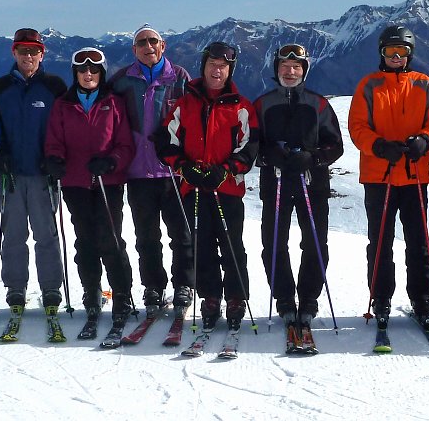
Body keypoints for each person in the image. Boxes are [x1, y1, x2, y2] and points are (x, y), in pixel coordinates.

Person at [153, 41, 259, 332]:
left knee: (231, 245)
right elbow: (165, 141)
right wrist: (184, 167)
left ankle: (236, 297)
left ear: (230, 70)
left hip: (226, 189)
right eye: (212, 64)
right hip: (193, 187)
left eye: (223, 66)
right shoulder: (186, 104)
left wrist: (225, 171)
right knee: (201, 245)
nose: (217, 70)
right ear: (204, 66)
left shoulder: (240, 106)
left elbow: (249, 147)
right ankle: (211, 297)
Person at [348, 25, 429, 327]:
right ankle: (381, 297)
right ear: (382, 53)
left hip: (414, 174)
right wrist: (378, 145)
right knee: (380, 241)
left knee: (419, 240)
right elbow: (357, 127)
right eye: (391, 51)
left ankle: (421, 297)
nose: (396, 57)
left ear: (410, 55)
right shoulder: (369, 85)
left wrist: (425, 140)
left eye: (402, 52)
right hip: (380, 175)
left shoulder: (424, 84)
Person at [45, 47, 136, 340]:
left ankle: (121, 294)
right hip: (75, 182)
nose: (88, 74)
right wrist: (55, 159)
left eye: (94, 70)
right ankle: (92, 293)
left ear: (102, 73)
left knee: (110, 239)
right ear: (75, 74)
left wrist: (112, 161)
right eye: (83, 70)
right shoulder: (63, 105)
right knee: (85, 241)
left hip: (107, 182)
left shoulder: (114, 103)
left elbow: (125, 144)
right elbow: (54, 140)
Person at [253, 43, 344, 330]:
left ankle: (308, 299)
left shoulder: (318, 104)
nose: (290, 72)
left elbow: (335, 145)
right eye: (284, 67)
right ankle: (283, 299)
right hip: (276, 181)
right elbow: (251, 142)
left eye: (296, 67)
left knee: (315, 243)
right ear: (276, 69)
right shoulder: (263, 103)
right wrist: (269, 154)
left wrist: (314, 157)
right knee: (274, 243)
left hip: (311, 182)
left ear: (304, 71)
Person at [0, 28, 67, 333]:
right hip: (12, 175)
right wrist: (0, 154)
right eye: (23, 51)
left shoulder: (54, 86)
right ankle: (15, 289)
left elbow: (63, 126)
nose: (28, 56)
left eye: (34, 51)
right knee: (14, 235)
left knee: (46, 235)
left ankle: (51, 288)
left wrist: (56, 157)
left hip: (44, 174)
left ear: (42, 54)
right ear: (14, 53)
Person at [108, 24, 194, 313]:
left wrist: (178, 146)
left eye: (153, 41)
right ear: (134, 50)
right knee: (146, 236)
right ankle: (153, 287)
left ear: (163, 45)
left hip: (172, 171)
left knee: (180, 234)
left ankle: (184, 284)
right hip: (137, 172)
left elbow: (193, 120)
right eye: (142, 43)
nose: (148, 46)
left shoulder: (179, 78)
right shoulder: (122, 80)